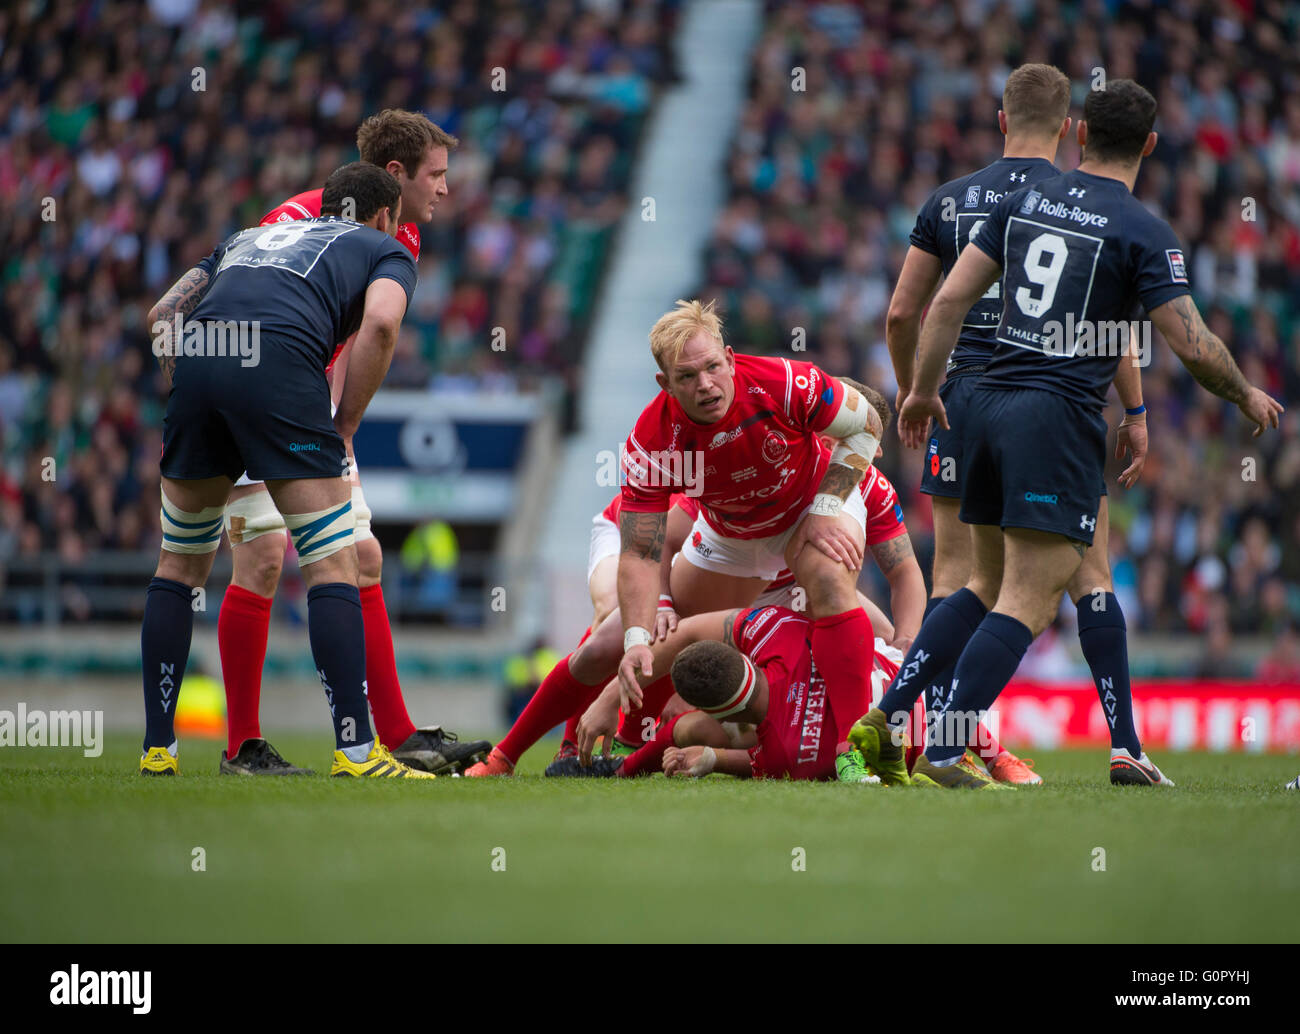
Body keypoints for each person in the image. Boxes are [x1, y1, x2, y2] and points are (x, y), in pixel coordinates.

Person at [860, 79, 1283, 788]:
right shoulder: (1141, 229)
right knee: (1033, 595)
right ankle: (945, 744)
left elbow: (945, 303)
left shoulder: (1024, 201)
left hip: (985, 403)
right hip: (1055, 418)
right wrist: (1243, 392)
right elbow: (1191, 343)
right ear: (1150, 145)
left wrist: (924, 392)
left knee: (978, 581)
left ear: (1081, 134)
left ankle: (895, 714)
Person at [886, 63, 1149, 781]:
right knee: (1080, 571)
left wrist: (920, 390)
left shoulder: (949, 199)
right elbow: (1109, 328)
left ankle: (904, 728)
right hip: (1048, 407)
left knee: (961, 577)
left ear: (1001, 120)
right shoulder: (1069, 205)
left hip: (958, 402)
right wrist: (1135, 408)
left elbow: (905, 312)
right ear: (1070, 129)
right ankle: (1121, 741)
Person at [215, 109, 489, 776]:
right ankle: (242, 747)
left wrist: (339, 422)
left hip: (310, 399)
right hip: (253, 386)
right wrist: (337, 422)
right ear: (393, 177)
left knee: (364, 554)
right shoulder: (300, 220)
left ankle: (399, 738)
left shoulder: (402, 231)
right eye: (436, 175)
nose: (446, 188)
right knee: (262, 559)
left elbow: (346, 333)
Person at [139, 162, 433, 779]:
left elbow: (163, 314)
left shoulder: (245, 237)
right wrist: (346, 419)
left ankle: (158, 752)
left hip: (201, 362)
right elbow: (381, 323)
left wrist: (200, 389)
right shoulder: (383, 246)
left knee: (180, 564)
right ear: (385, 215)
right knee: (332, 560)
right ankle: (357, 753)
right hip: (280, 367)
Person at [548, 606, 911, 784]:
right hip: (920, 676)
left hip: (916, 737)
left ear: (719, 713)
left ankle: (618, 768)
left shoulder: (782, 756)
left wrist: (713, 757)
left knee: (686, 731)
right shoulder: (775, 630)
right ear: (741, 655)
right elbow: (692, 631)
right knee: (834, 594)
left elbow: (753, 760)